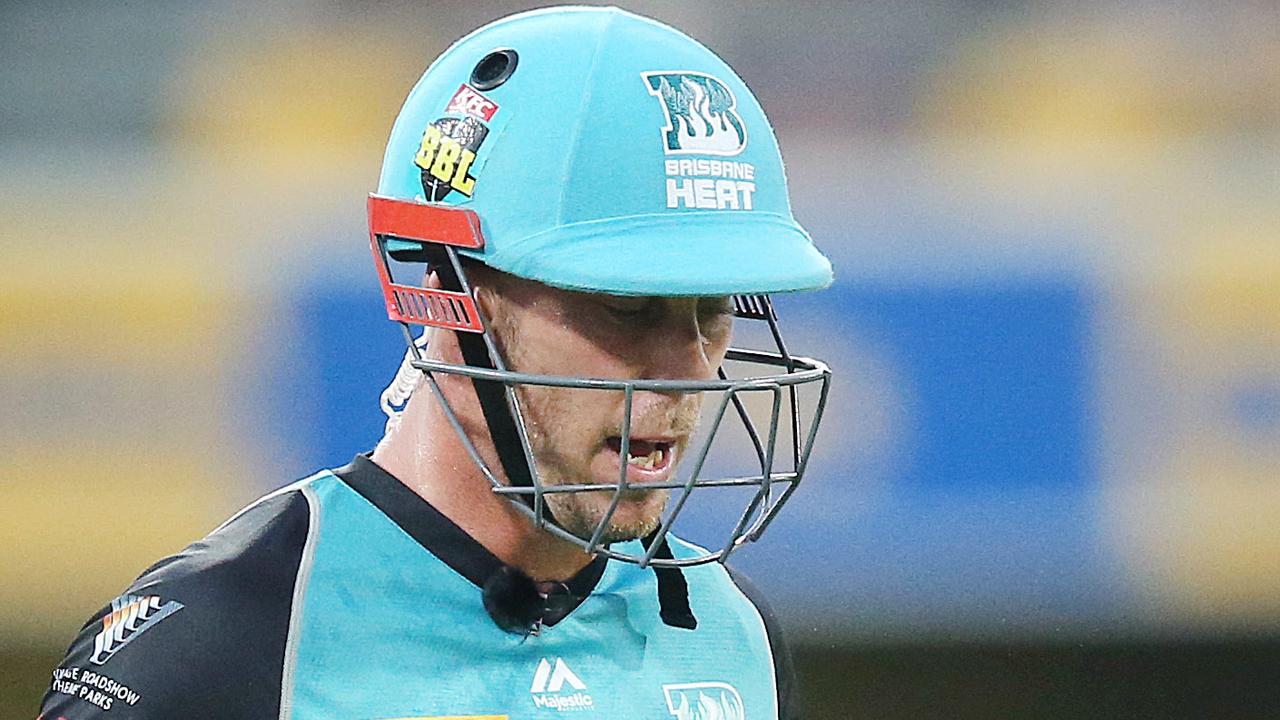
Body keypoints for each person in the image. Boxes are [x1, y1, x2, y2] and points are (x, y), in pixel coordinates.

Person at [39, 7, 832, 719]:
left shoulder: (734, 640)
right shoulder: (228, 636)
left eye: (714, 311)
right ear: (450, 288)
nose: (690, 373)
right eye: (627, 306)